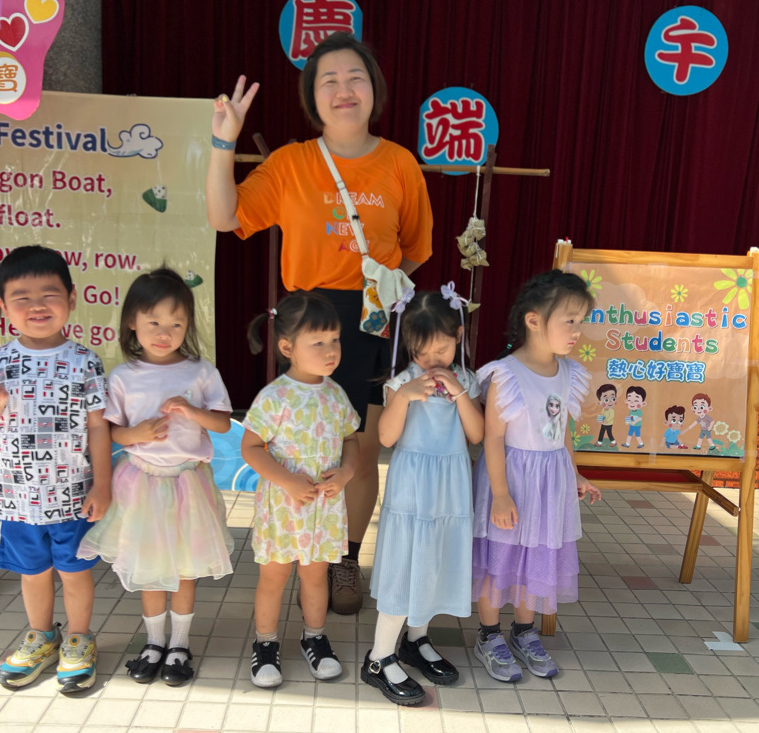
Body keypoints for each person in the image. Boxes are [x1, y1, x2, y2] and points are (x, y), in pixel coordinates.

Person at [206, 32, 433, 614]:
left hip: (371, 319)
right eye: (328, 80)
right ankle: (295, 546)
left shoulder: (400, 163)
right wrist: (224, 141)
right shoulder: (290, 163)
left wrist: (381, 289)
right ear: (313, 96)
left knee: (359, 445)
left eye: (355, 77)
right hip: (309, 317)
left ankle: (344, 560)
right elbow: (225, 216)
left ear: (373, 88)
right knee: (301, 440)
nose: (343, 89)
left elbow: (415, 249)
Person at [78, 268, 235, 687]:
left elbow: (222, 423)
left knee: (184, 568)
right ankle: (153, 642)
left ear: (189, 325)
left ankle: (179, 644)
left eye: (176, 324)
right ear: (132, 322)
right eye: (154, 322)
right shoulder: (123, 376)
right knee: (148, 566)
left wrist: (193, 411)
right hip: (141, 484)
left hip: (188, 484)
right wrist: (137, 434)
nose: (165, 333)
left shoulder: (200, 371)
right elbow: (111, 430)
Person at [0, 246, 111, 693]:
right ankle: (42, 637)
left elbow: (99, 427)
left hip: (74, 496)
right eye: (21, 298)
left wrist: (103, 485)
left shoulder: (85, 361)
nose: (36, 306)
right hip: (19, 499)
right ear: (2, 306)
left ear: (71, 298)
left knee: (74, 571)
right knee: (31, 572)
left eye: (49, 294)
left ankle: (79, 639)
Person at [472, 271, 602, 683]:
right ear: (533, 320)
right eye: (569, 320)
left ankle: (524, 632)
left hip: (550, 484)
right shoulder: (506, 374)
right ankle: (488, 635)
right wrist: (500, 494)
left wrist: (576, 475)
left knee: (536, 557)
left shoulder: (569, 372)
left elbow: (562, 431)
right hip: (511, 481)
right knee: (500, 558)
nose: (577, 331)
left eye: (581, 321)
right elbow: (493, 437)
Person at [363, 289, 484, 705]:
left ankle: (415, 639)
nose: (432, 360)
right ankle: (379, 656)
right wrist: (404, 397)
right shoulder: (401, 382)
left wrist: (460, 393)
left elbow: (476, 434)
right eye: (422, 351)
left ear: (458, 337)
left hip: (449, 488)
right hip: (412, 489)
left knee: (434, 559)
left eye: (442, 349)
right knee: (406, 563)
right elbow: (386, 437)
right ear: (409, 345)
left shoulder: (465, 380)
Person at [241, 292, 360, 689]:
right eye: (318, 342)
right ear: (287, 347)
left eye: (335, 339)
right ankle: (265, 644)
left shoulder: (336, 393)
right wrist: (288, 480)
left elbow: (351, 439)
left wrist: (346, 472)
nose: (331, 350)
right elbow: (251, 447)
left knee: (315, 577)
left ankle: (315, 637)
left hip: (323, 509)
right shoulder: (274, 397)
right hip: (283, 508)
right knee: (273, 578)